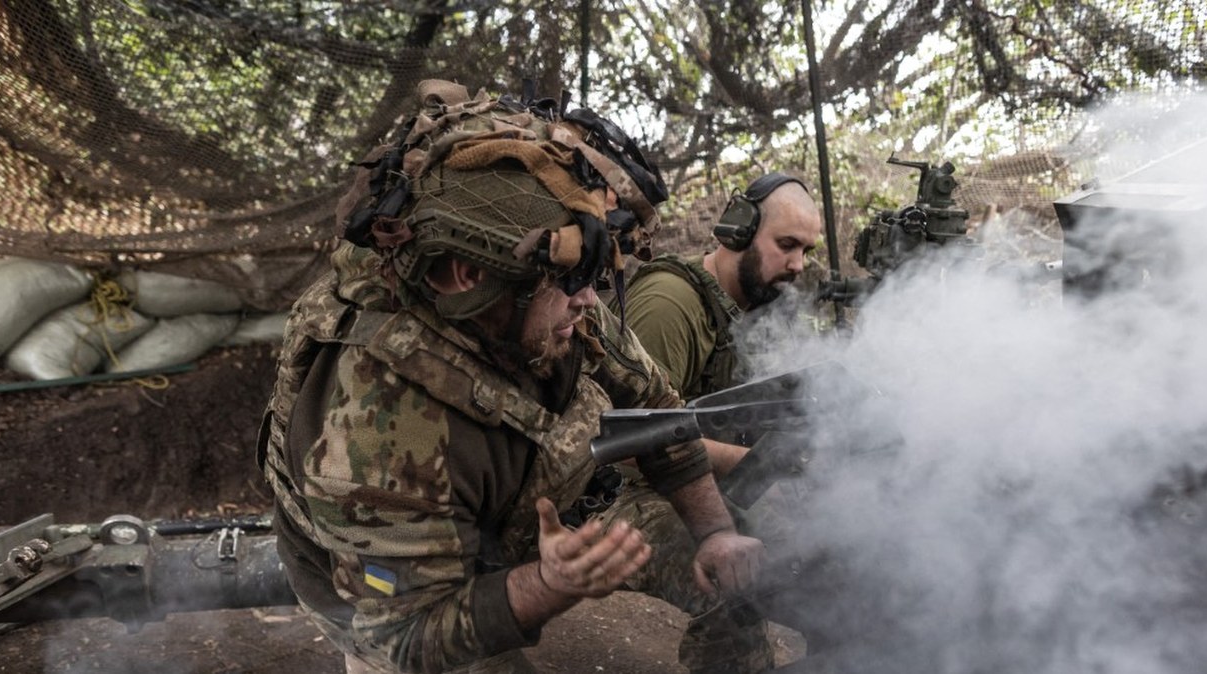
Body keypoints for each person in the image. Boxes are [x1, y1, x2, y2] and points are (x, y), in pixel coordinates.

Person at [257, 80, 769, 674]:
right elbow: (408, 634)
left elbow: (659, 411)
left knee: (733, 589)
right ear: (466, 275)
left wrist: (715, 533)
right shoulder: (375, 429)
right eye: (570, 283)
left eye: (591, 278)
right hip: (401, 600)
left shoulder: (550, 297)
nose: (588, 302)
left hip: (530, 515)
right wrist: (550, 584)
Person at [617, 174, 823, 399]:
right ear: (741, 231)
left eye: (805, 251)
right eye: (786, 245)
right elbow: (639, 418)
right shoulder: (667, 305)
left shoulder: (763, 304)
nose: (798, 265)